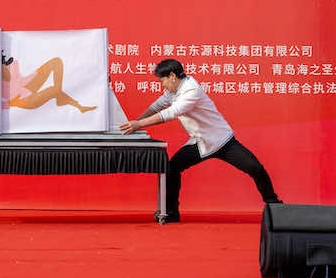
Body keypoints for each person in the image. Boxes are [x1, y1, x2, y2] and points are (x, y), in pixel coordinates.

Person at [119, 58, 280, 223]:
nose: (163, 85)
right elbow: (157, 106)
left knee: (255, 168)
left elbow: (171, 113)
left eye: (163, 81)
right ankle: (171, 212)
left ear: (172, 76)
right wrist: (135, 123)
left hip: (222, 140)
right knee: (171, 168)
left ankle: (275, 207)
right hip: (200, 142)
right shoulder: (173, 90)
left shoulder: (191, 89)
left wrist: (138, 124)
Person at [0, 52, 96, 113]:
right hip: (24, 100)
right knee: (53, 90)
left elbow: (18, 79)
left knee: (56, 61)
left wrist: (34, 75)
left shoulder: (10, 65)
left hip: (26, 85)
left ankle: (61, 97)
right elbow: (8, 78)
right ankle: (77, 106)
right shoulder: (2, 70)